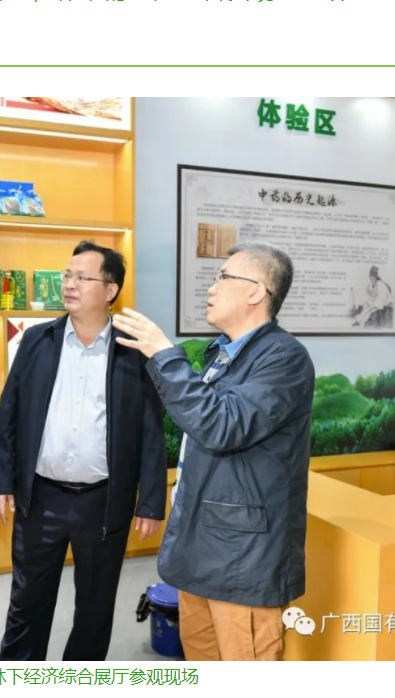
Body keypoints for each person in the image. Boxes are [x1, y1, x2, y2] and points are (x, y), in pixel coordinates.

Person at [112, 241, 315, 661]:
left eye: (223, 277)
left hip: (243, 558)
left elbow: (223, 425)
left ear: (256, 291)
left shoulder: (284, 358)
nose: (211, 286)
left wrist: (164, 355)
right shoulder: (222, 353)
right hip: (203, 548)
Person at [0, 241, 167, 661]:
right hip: (40, 498)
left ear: (110, 290)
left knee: (95, 608)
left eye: (82, 278)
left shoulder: (133, 350)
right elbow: (9, 412)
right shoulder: (38, 340)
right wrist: (1, 482)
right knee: (27, 603)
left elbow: (150, 430)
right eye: (67, 276)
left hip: (104, 502)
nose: (69, 284)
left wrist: (150, 502)